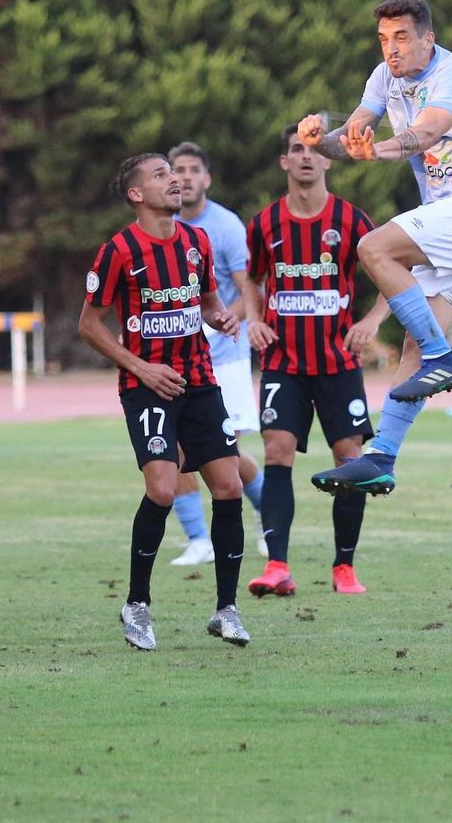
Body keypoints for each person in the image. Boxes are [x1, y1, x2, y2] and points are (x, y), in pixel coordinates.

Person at [299, 0, 452, 497]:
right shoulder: (384, 77)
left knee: (373, 249)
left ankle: (445, 358)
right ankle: (380, 458)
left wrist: (376, 149)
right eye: (383, 39)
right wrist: (320, 142)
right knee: (415, 347)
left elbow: (424, 133)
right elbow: (351, 136)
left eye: (401, 37)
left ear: (427, 39)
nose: (391, 50)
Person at [77, 153, 251, 650]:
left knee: (229, 486)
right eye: (161, 175)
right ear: (136, 194)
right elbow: (89, 324)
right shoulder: (118, 251)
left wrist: (221, 319)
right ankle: (136, 605)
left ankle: (226, 610)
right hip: (147, 385)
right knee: (162, 489)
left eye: (175, 173)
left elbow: (209, 303)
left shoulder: (197, 242)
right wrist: (140, 366)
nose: (175, 180)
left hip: (198, 381)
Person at [241, 123, 390, 597]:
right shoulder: (264, 224)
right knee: (276, 452)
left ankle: (343, 568)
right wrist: (252, 318)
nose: (305, 157)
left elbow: (396, 273)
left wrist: (372, 321)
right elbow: (250, 277)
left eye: (315, 151)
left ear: (329, 160)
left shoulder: (351, 220)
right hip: (284, 360)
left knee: (350, 460)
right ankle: (277, 566)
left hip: (338, 362)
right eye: (295, 150)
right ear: (284, 162)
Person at [164, 142, 266, 564]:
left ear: (206, 179)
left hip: (223, 359)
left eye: (192, 170)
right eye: (176, 170)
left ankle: (267, 513)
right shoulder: (160, 228)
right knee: (173, 448)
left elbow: (249, 287)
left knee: (224, 453)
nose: (184, 177)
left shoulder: (223, 227)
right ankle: (198, 541)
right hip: (176, 362)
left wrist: (226, 319)